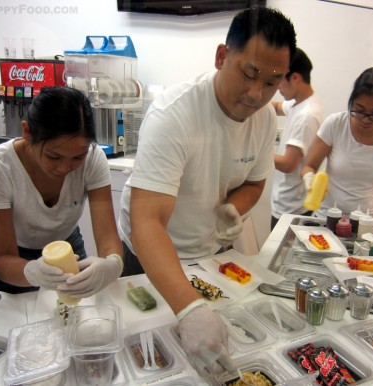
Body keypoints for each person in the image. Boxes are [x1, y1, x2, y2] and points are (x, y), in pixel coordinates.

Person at [118, 6, 296, 376]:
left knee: (209, 355)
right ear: (221, 56)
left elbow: (255, 180)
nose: (256, 93)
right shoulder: (175, 115)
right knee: (151, 358)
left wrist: (234, 207)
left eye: (272, 82)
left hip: (207, 254)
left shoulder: (263, 120)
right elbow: (147, 222)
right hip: (151, 253)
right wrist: (187, 309)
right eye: (249, 74)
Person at [0, 87, 123, 298]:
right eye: (54, 157)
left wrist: (112, 264)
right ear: (27, 132)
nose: (65, 168)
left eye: (77, 158)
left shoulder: (92, 158)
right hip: (17, 259)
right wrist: (31, 272)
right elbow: (2, 259)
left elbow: (107, 234)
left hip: (67, 248)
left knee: (76, 314)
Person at [301, 67, 373, 225]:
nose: (365, 120)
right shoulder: (336, 124)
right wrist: (309, 177)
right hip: (328, 216)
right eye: (359, 110)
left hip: (369, 221)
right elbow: (309, 165)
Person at [270, 48, 324, 230]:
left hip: (291, 209)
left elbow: (288, 164)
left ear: (295, 78)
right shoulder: (299, 103)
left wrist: (253, 153)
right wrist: (255, 101)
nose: (277, 87)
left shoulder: (306, 115)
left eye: (279, 80)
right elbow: (277, 107)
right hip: (287, 203)